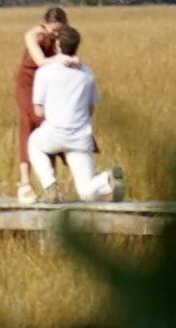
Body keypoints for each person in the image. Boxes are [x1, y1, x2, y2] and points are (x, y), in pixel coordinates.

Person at [24, 24, 125, 204]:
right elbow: (91, 109)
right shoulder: (87, 73)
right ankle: (107, 178)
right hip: (80, 137)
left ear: (57, 46)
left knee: (33, 143)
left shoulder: (45, 72)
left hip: (53, 133)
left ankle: (50, 186)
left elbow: (38, 110)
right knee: (86, 193)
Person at [14, 5, 66, 199]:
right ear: (45, 24)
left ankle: (50, 183)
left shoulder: (61, 38)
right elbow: (41, 60)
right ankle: (25, 181)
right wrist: (64, 58)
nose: (56, 34)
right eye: (53, 30)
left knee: (48, 127)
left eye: (60, 30)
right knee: (28, 124)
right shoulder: (33, 35)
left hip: (47, 85)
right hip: (28, 84)